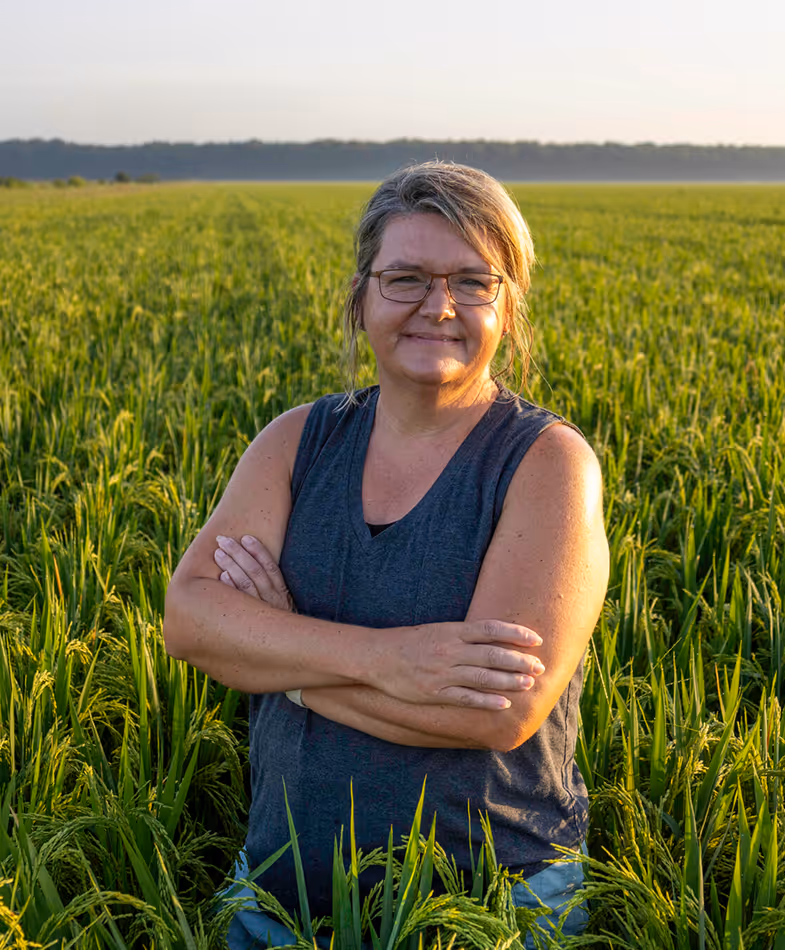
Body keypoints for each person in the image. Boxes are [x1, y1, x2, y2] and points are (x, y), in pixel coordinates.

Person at [163, 161, 609, 948]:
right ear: (361, 295)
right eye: (405, 277)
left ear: (506, 305)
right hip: (279, 895)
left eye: (472, 281)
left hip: (493, 907)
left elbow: (499, 710)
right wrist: (388, 659)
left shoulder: (545, 464)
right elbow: (193, 620)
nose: (437, 306)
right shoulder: (298, 441)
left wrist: (283, 662)